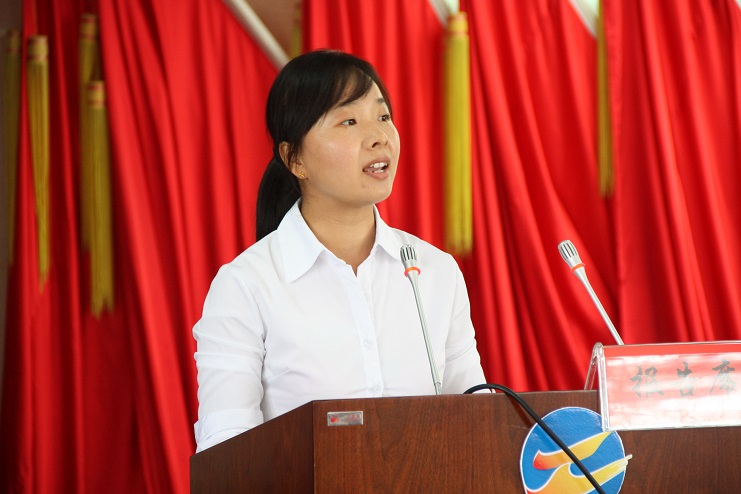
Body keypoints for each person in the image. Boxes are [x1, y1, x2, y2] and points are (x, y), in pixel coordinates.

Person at [192, 49, 486, 453]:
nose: (379, 136)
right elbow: (227, 452)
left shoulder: (435, 272)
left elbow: (478, 424)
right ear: (294, 159)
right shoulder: (246, 286)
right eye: (349, 121)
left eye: (383, 116)